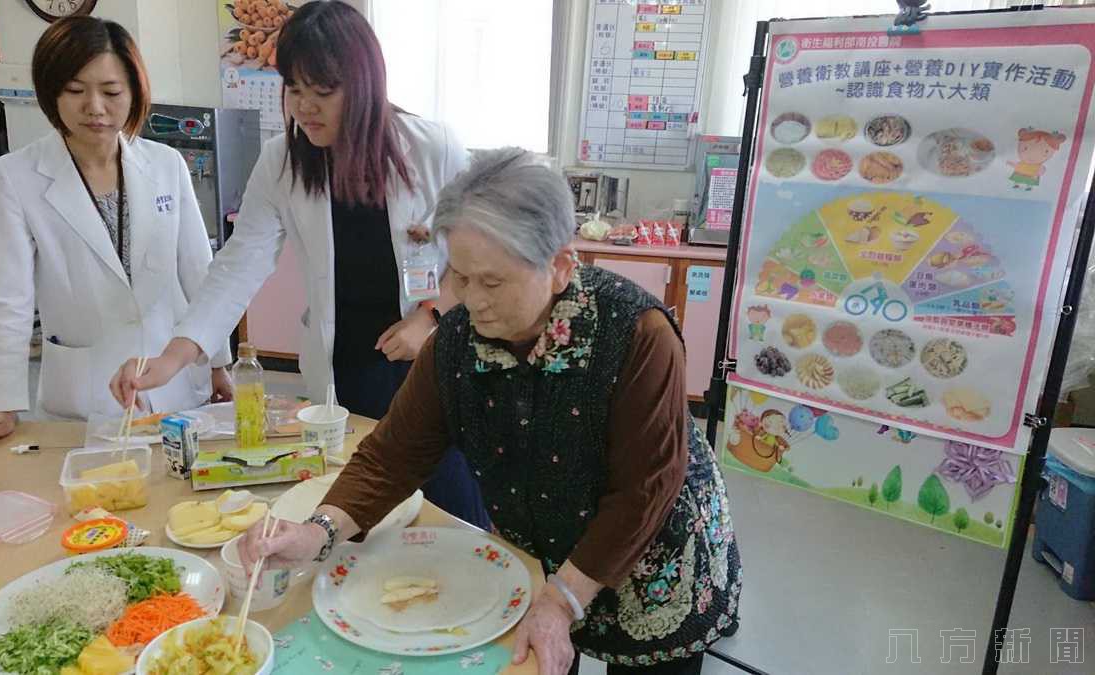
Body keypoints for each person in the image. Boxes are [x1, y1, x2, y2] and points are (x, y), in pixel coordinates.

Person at [237, 148, 743, 674]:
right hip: (543, 545)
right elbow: (393, 456)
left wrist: (562, 598)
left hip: (649, 554)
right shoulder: (454, 341)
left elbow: (645, 491)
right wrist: (316, 532)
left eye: (493, 282)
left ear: (560, 266)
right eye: (459, 276)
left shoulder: (637, 334)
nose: (472, 299)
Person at [108, 0, 488, 527]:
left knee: (452, 505)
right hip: (348, 363)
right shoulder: (283, 161)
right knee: (362, 501)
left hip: (430, 357)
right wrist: (173, 357)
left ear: (364, 85)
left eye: (323, 92)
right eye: (295, 89)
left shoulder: (432, 149)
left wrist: (430, 317)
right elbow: (238, 265)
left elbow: (480, 249)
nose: (305, 108)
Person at [0, 16, 230, 451]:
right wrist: (4, 404)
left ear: (134, 91)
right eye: (75, 91)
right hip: (84, 394)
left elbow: (200, 273)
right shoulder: (15, 178)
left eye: (111, 92)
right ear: (51, 93)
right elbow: (9, 303)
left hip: (173, 384)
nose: (95, 107)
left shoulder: (166, 164)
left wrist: (216, 362)